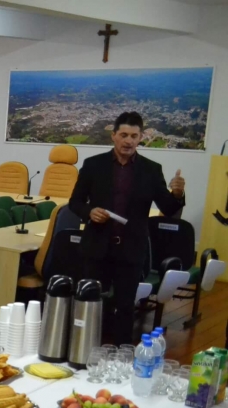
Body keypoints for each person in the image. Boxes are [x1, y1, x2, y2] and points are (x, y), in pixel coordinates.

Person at [69, 111, 186, 346]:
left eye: (134, 136)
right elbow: (75, 202)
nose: (128, 141)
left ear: (141, 138)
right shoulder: (93, 165)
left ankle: (121, 357)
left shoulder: (151, 170)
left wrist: (178, 193)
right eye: (123, 135)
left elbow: (169, 208)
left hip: (130, 249)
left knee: (125, 308)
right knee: (91, 303)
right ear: (113, 136)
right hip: (97, 247)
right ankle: (85, 350)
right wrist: (89, 212)